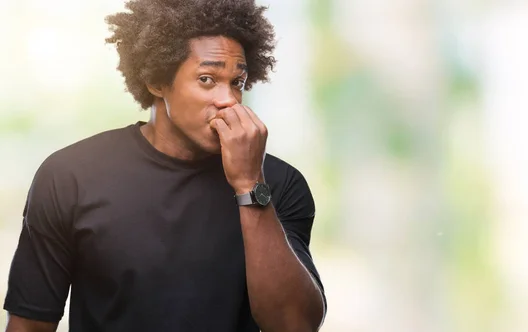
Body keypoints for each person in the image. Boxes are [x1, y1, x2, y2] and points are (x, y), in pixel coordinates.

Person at [3, 0, 326, 331]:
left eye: (237, 83)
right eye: (206, 79)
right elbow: (29, 325)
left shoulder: (279, 183)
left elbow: (295, 325)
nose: (228, 99)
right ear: (158, 81)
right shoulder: (70, 176)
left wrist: (249, 185)